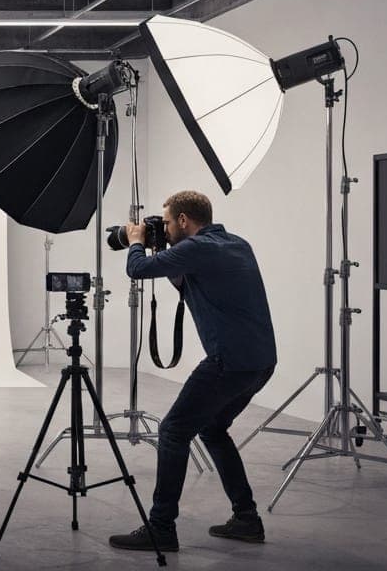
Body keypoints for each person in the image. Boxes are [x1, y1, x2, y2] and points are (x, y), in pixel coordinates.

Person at [109, 190, 277, 553]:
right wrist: (163, 251)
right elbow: (189, 280)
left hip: (228, 361)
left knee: (172, 430)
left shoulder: (196, 249)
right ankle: (247, 519)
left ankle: (161, 528)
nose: (164, 229)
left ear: (184, 220)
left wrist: (137, 241)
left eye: (167, 223)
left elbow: (137, 270)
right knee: (213, 430)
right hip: (261, 362)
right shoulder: (236, 244)